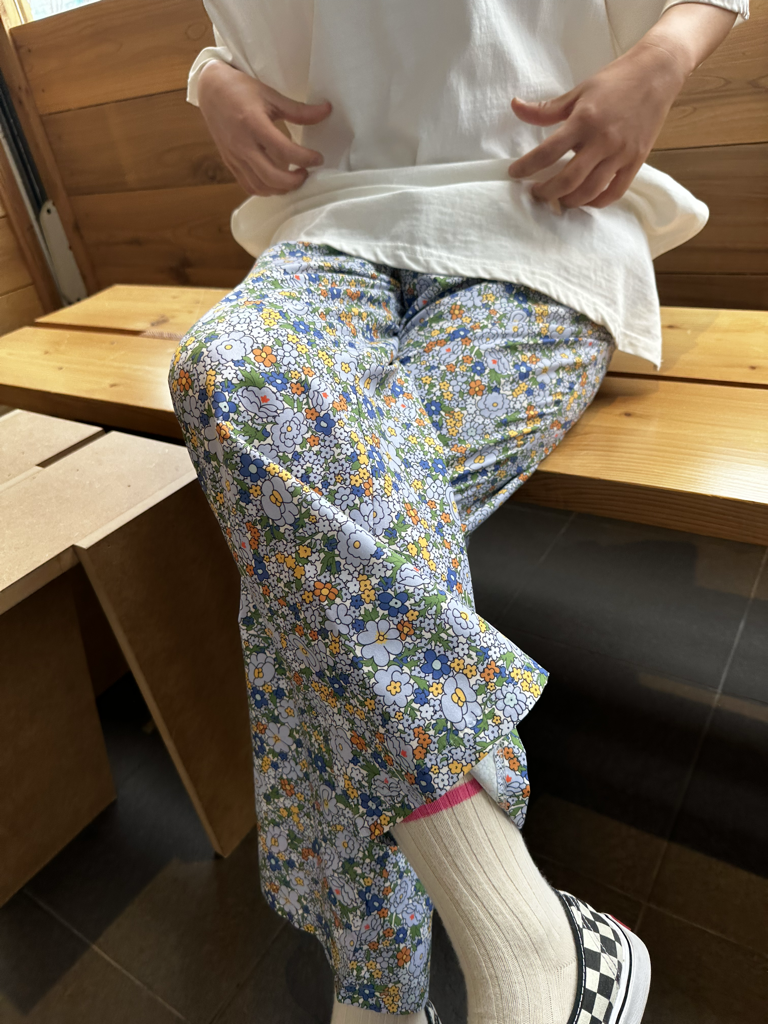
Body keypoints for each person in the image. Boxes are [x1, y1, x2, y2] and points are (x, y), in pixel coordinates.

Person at [167, 3, 748, 1021]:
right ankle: (525, 931)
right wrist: (209, 76)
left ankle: (381, 997)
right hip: (329, 224)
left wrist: (667, 52)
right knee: (229, 375)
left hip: (540, 211)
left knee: (311, 545)